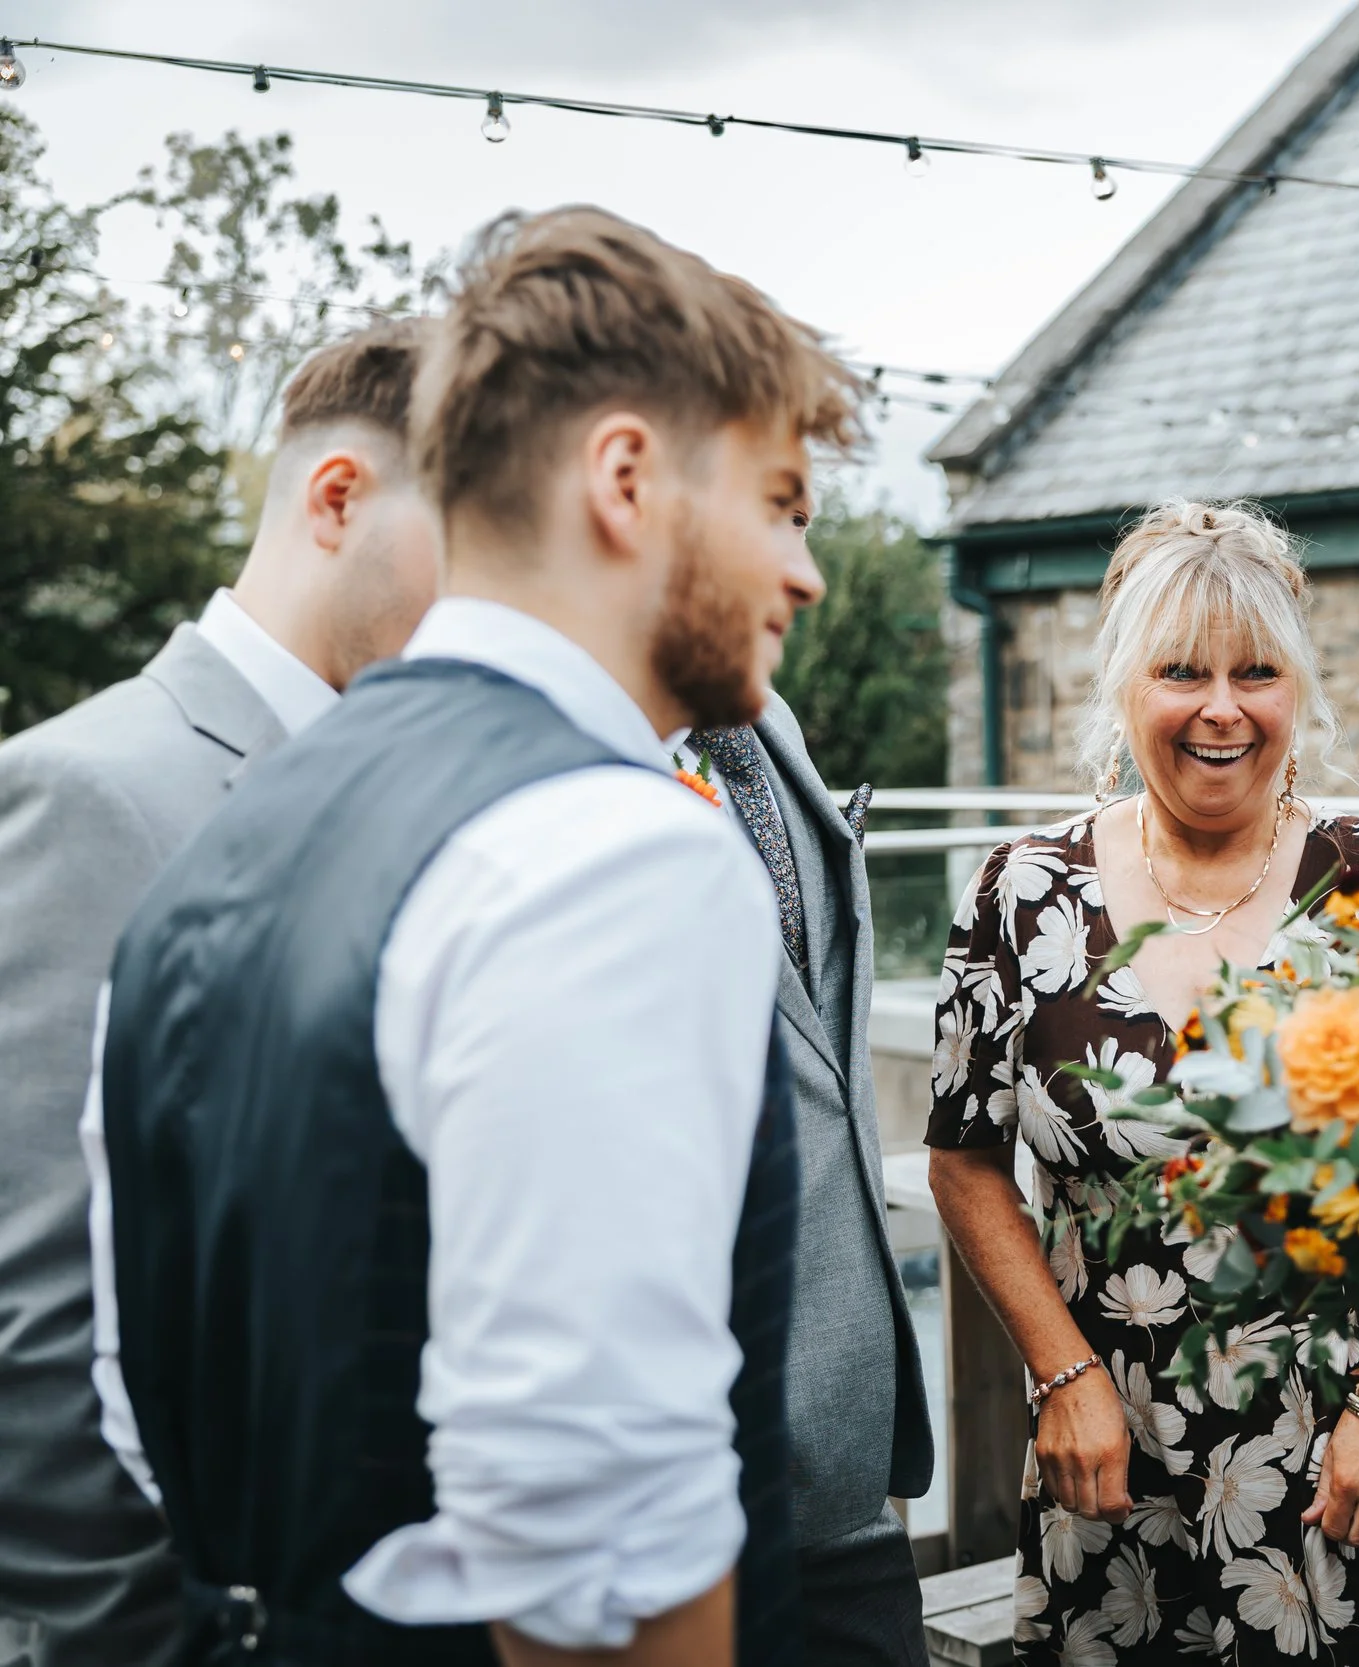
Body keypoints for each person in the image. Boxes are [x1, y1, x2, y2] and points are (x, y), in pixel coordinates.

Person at [85, 207, 850, 1666]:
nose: (803, 573)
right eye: (777, 498)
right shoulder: (614, 850)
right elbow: (606, 1570)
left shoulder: (237, 829)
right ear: (627, 479)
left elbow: (142, 1403)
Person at [0, 319, 438, 1667]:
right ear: (339, 497)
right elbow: (37, 1314)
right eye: (478, 530)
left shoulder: (415, 780)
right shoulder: (91, 790)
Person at [926, 501, 1359, 1665]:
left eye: (1255, 670)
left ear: (1296, 689)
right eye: (1181, 671)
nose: (1221, 706)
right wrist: (1060, 1373)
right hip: (1103, 1459)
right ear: (1123, 687)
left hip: (1340, 1468)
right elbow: (962, 1158)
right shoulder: (1022, 891)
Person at [663, 697, 935, 1661]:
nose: (803, 575)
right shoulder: (556, 764)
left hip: (842, 1463)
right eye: (777, 530)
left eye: (804, 531)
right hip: (688, 1478)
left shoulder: (760, 712)